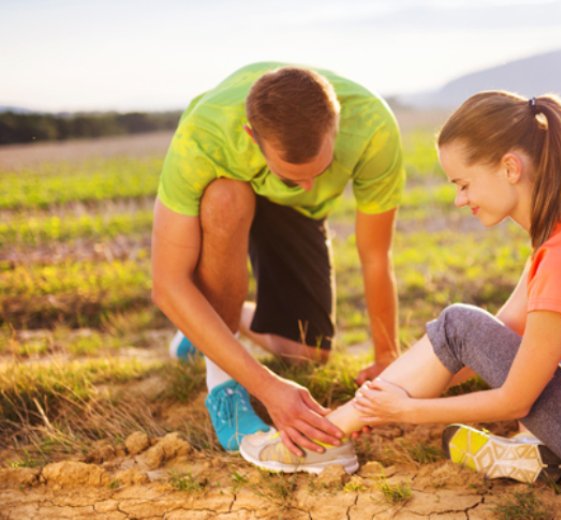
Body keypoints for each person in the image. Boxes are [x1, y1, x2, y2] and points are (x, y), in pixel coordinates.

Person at [238, 91, 561, 489]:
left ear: (510, 167)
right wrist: (385, 400)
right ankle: (338, 431)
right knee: (463, 329)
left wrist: (403, 410)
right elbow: (493, 337)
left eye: (463, 183)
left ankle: (319, 442)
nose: (459, 199)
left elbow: (514, 395)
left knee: (459, 321)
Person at [151, 63, 405, 455]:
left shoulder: (373, 127)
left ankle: (202, 327)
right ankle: (223, 386)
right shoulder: (203, 137)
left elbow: (375, 255)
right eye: (294, 177)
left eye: (321, 170)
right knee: (226, 197)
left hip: (299, 215)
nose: (308, 185)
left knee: (307, 352)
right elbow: (167, 285)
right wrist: (267, 387)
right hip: (229, 190)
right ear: (252, 137)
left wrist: (386, 355)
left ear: (337, 124)